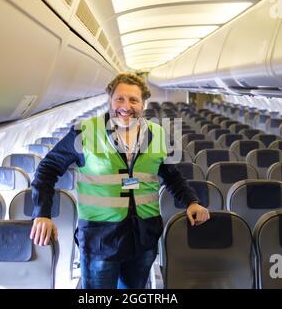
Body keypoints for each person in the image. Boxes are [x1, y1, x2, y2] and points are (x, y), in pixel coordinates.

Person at [30, 73, 210, 289]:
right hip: (100, 240)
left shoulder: (158, 134)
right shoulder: (84, 132)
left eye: (134, 100)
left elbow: (171, 175)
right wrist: (42, 213)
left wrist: (191, 201)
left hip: (143, 237)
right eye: (120, 99)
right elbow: (47, 169)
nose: (126, 106)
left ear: (144, 104)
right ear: (110, 100)